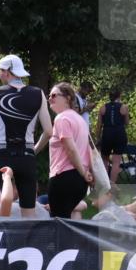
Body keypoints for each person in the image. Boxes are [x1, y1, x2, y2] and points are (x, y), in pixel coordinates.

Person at [0, 54, 53, 218]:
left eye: (0, 71)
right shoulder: (38, 94)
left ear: (8, 72)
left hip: (2, 156)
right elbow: (49, 131)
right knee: (29, 214)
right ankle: (27, 244)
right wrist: (34, 150)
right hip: (26, 157)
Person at [46, 82, 94, 219]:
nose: (50, 98)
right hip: (80, 182)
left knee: (59, 223)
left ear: (67, 98)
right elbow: (87, 149)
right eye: (49, 96)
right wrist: (87, 174)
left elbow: (71, 149)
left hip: (64, 178)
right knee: (68, 220)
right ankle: (73, 241)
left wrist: (84, 173)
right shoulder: (80, 120)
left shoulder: (61, 118)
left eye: (54, 95)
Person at [98, 88, 129, 185]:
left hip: (107, 133)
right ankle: (112, 184)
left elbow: (99, 125)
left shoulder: (103, 108)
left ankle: (105, 183)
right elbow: (127, 123)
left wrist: (98, 137)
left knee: (104, 159)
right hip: (119, 134)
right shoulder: (124, 107)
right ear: (119, 96)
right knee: (116, 161)